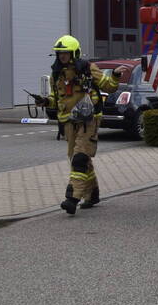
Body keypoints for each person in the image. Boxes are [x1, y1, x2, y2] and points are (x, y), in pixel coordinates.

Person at [34, 36, 124, 215]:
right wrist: (45, 101)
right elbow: (56, 99)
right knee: (80, 160)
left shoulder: (88, 68)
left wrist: (115, 75)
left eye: (65, 53)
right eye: (59, 54)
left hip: (88, 121)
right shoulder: (56, 74)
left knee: (80, 159)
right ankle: (92, 194)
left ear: (74, 52)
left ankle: (72, 198)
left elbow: (109, 86)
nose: (62, 57)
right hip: (68, 123)